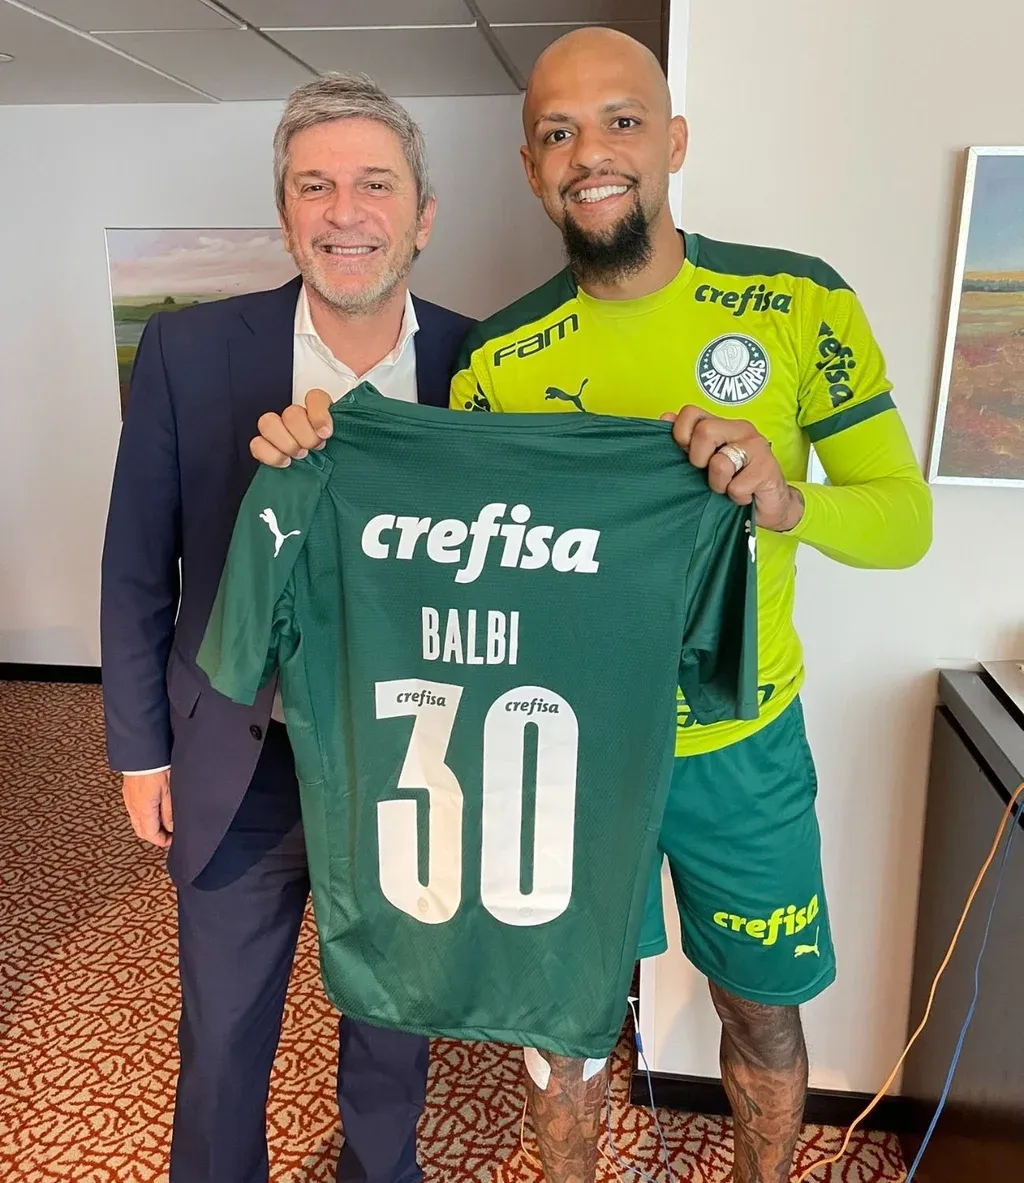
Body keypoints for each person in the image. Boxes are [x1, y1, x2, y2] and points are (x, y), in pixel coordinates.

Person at [250, 30, 932, 1183]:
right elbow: (456, 563)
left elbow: (903, 521)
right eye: (558, 133)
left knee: (760, 1009)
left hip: (738, 745)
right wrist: (315, 468)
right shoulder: (499, 360)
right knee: (557, 1037)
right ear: (531, 168)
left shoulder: (796, 301)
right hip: (558, 758)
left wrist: (784, 497)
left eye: (621, 121)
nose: (590, 153)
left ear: (673, 140)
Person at [101, 73, 473, 1183]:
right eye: (315, 186)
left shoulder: (484, 365)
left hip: (412, 764)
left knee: (392, 1039)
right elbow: (137, 565)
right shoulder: (188, 352)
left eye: (375, 185)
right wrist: (140, 751)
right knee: (222, 1037)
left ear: (423, 215)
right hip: (237, 760)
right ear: (285, 214)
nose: (344, 213)